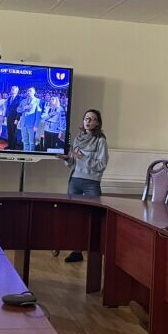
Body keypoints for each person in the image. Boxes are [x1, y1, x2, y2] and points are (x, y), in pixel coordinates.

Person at [57, 109, 108, 262]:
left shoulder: (100, 141)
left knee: (94, 217)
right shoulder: (78, 139)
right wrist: (67, 159)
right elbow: (73, 163)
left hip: (91, 183)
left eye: (92, 119)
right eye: (86, 118)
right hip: (75, 180)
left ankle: (95, 251)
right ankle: (76, 251)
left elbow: (101, 165)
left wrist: (83, 157)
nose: (88, 121)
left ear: (97, 123)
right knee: (75, 216)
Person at [17, 87, 41, 152]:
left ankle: (31, 154)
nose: (28, 92)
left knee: (32, 142)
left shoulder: (38, 101)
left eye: (30, 91)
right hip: (23, 123)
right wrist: (24, 108)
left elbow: (38, 115)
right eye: (28, 91)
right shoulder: (23, 101)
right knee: (25, 141)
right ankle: (25, 153)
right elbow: (18, 109)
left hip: (32, 124)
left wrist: (36, 125)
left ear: (34, 92)